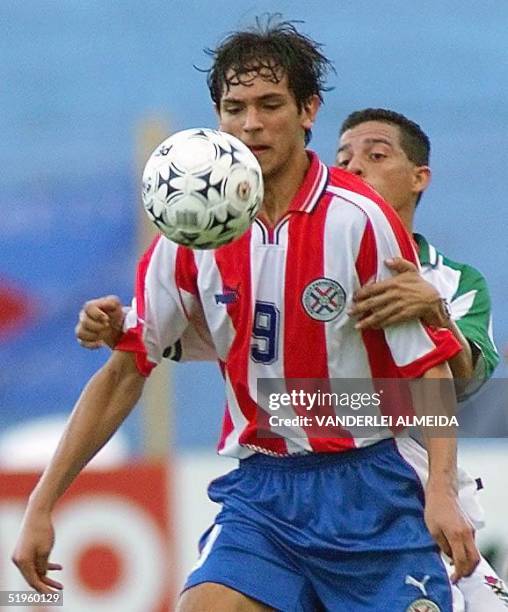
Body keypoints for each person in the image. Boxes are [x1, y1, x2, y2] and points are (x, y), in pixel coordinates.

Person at [13, 19, 478, 611]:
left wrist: (440, 487)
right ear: (218, 116)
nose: (251, 123)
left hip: (372, 493)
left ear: (308, 110)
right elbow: (127, 367)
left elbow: (428, 371)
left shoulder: (359, 219)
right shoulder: (190, 228)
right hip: (263, 493)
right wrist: (42, 504)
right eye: (234, 107)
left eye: (269, 104)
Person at [77, 108, 505, 611]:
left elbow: (464, 388)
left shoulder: (450, 282)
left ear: (419, 178)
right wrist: (126, 326)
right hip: (289, 488)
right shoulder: (301, 252)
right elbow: (230, 334)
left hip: (405, 487)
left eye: (376, 154)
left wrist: (435, 320)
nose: (355, 166)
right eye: (344, 156)